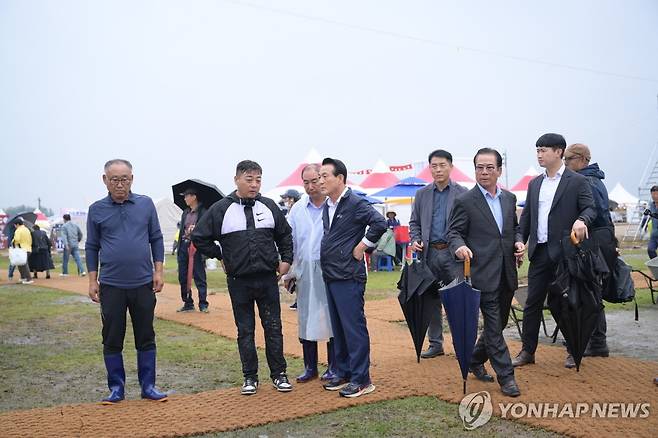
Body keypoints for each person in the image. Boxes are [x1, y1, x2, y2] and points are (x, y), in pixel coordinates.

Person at [192, 160, 294, 395]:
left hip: (268, 279)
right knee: (245, 330)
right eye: (249, 180)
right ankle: (250, 377)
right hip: (239, 281)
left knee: (273, 327)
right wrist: (220, 255)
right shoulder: (220, 209)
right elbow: (199, 237)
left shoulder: (269, 205)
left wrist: (286, 260)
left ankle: (279, 375)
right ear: (236, 179)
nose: (254, 185)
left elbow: (285, 236)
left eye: (258, 180)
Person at [85, 159, 168, 404]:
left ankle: (148, 385)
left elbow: (156, 238)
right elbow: (91, 247)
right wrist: (92, 280)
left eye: (125, 179)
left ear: (132, 178)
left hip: (143, 283)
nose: (120, 184)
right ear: (105, 180)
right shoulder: (96, 209)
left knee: (146, 335)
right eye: (115, 180)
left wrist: (159, 272)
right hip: (111, 285)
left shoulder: (145, 204)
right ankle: (116, 388)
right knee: (112, 337)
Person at [513, 133, 596, 369]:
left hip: (565, 255)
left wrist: (582, 220)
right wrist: (520, 240)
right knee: (532, 304)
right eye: (537, 150)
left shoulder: (577, 181)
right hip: (539, 254)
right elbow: (526, 218)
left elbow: (591, 209)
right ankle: (527, 351)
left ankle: (573, 350)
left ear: (559, 152)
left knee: (567, 304)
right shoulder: (534, 183)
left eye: (544, 150)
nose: (539, 154)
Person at [447, 148, 524, 397]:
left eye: (490, 167)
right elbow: (453, 233)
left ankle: (474, 358)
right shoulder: (465, 201)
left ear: (499, 170)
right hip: (481, 273)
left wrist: (518, 242)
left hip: (507, 273)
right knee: (493, 326)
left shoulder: (509, 199)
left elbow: (514, 228)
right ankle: (506, 377)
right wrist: (459, 246)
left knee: (498, 324)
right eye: (480, 167)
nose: (484, 172)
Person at [319, 157, 387, 398]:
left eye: (325, 175)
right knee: (338, 327)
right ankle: (344, 371)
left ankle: (362, 379)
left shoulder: (355, 202)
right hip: (331, 274)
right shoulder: (328, 204)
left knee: (353, 327)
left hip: (349, 275)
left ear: (340, 178)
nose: (321, 180)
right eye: (320, 176)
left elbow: (379, 223)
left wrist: (362, 247)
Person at [409, 149, 468, 359]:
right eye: (434, 166)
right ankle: (436, 344)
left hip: (453, 256)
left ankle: (461, 343)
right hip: (429, 254)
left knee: (456, 300)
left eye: (442, 165)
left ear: (451, 167)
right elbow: (414, 222)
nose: (438, 169)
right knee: (431, 300)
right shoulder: (422, 194)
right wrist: (415, 239)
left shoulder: (463, 193)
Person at [284, 164, 337, 383]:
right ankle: (310, 367)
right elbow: (291, 241)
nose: (311, 186)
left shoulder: (334, 205)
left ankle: (334, 366)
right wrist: (289, 273)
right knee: (305, 316)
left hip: (329, 269)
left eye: (315, 180)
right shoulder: (297, 209)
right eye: (306, 182)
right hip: (304, 268)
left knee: (331, 317)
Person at [564, 143, 614, 357]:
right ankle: (597, 341)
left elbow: (592, 214)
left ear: (583, 158)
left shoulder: (587, 181)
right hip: (601, 240)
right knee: (592, 292)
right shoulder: (594, 179)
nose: (565, 163)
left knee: (590, 292)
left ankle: (596, 341)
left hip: (593, 242)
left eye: (569, 159)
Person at [176, 188, 208, 313]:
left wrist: (196, 230)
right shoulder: (185, 212)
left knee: (199, 275)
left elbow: (206, 229)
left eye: (186, 196)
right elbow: (182, 231)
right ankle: (188, 302)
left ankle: (203, 303)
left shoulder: (204, 212)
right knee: (183, 276)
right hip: (184, 246)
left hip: (197, 247)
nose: (184, 199)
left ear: (193, 197)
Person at [11, 217, 33, 284]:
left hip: (22, 249)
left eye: (15, 225)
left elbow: (17, 239)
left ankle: (29, 279)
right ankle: (23, 278)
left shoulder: (18, 230)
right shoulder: (27, 229)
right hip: (28, 248)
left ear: (17, 224)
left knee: (23, 264)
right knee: (20, 264)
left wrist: (13, 242)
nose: (14, 226)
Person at [646, 186, 658, 259]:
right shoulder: (651, 205)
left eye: (657, 194)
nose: (655, 196)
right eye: (653, 195)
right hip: (654, 234)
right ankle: (656, 267)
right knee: (650, 250)